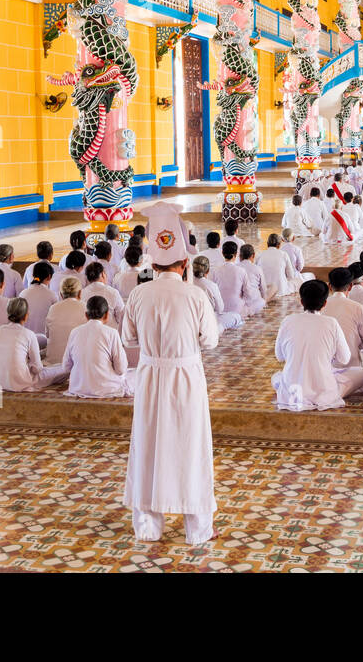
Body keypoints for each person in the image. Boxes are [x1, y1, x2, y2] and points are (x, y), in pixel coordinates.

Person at [121, 202, 220, 544]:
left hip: (149, 376)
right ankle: (197, 529)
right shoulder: (194, 295)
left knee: (148, 444)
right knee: (191, 446)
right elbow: (211, 340)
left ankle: (147, 526)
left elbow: (127, 338)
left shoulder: (137, 294)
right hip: (186, 377)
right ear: (184, 262)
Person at [272, 280, 363, 410]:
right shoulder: (331, 323)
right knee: (362, 373)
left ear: (301, 302)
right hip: (324, 391)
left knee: (277, 377)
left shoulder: (288, 320)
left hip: (293, 391)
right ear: (325, 303)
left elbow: (279, 356)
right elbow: (344, 359)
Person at [0, 299, 67, 392]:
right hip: (21, 382)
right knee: (64, 368)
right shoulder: (28, 334)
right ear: (26, 316)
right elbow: (38, 369)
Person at [63, 295, 134, 397]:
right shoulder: (112, 333)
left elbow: (66, 367)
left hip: (78, 388)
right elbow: (121, 369)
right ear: (106, 315)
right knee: (136, 375)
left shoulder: (74, 332)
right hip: (107, 389)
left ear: (86, 315)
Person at [324, 268, 363, 367]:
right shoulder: (358, 308)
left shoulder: (321, 307)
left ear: (329, 286)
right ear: (350, 286)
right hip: (352, 366)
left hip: (326, 365)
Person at [45, 276, 89, 364]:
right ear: (80, 293)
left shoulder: (53, 308)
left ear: (61, 294)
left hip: (53, 362)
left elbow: (47, 334)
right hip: (77, 362)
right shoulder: (85, 307)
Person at [21, 261, 58, 337]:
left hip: (26, 337)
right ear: (49, 277)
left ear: (33, 275)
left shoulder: (23, 294)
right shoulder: (52, 295)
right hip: (45, 338)